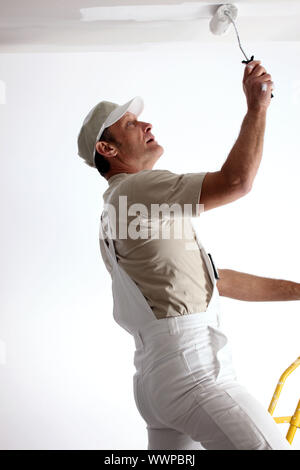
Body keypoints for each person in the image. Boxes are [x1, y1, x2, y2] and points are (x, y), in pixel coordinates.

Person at [77, 61, 297, 450]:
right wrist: (257, 107)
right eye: (130, 124)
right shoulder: (139, 189)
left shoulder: (119, 208)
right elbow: (236, 182)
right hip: (192, 371)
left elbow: (218, 280)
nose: (147, 126)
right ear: (107, 149)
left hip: (155, 382)